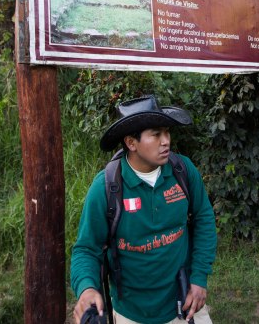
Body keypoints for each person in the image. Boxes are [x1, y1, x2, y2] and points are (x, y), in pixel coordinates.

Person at [71, 94, 217, 324]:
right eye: (156, 135)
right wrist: (87, 288)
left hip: (186, 301)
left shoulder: (183, 171)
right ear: (131, 143)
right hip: (132, 312)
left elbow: (204, 218)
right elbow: (87, 250)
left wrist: (199, 277)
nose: (166, 140)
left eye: (167, 132)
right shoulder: (106, 188)